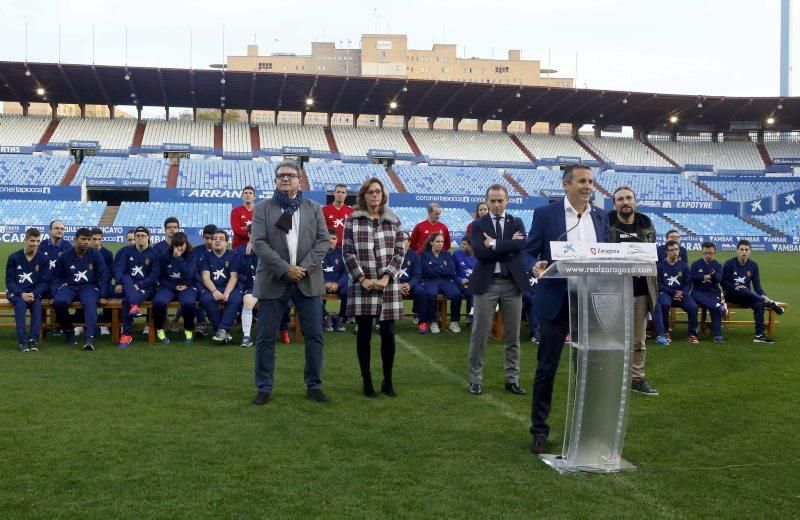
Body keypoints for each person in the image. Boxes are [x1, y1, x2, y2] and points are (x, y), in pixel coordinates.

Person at [520, 164, 610, 455]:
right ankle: (539, 431)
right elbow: (527, 250)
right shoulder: (546, 215)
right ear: (566, 185)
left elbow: (608, 256)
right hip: (556, 302)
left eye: (591, 182)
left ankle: (588, 430)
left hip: (590, 303)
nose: (588, 186)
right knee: (547, 368)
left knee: (589, 368)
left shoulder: (600, 217)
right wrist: (533, 265)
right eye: (582, 181)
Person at [251, 160, 330, 405]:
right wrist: (285, 269)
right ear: (275, 181)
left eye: (290, 175)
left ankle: (314, 385)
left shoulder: (314, 208)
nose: (285, 179)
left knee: (314, 335)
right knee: (265, 337)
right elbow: (259, 243)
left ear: (299, 179)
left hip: (307, 280)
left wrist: (302, 269)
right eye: (280, 176)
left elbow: (323, 242)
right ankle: (264, 387)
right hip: (274, 280)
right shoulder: (263, 208)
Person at [342, 177, 405, 397]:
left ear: (383, 195)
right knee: (364, 333)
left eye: (378, 191)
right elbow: (347, 252)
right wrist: (361, 278)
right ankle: (366, 380)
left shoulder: (394, 220)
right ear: (364, 195)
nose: (375, 195)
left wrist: (388, 277)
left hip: (387, 285)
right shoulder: (352, 220)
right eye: (370, 192)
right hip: (363, 285)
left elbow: (399, 252)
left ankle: (387, 381)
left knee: (388, 333)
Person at [467, 184, 529, 396]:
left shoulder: (516, 222)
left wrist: (493, 243)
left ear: (507, 201)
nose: (496, 204)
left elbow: (521, 246)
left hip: (512, 284)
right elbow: (480, 253)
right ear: (486, 201)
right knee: (480, 335)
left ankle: (512, 379)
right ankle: (475, 379)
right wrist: (506, 246)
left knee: (513, 337)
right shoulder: (478, 224)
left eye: (500, 200)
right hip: (487, 284)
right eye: (492, 200)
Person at [607, 186, 660, 396]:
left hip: (640, 290)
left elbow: (651, 252)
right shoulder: (606, 221)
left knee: (638, 339)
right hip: (612, 290)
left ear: (635, 201)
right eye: (620, 199)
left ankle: (636, 378)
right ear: (614, 204)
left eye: (629, 198)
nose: (625, 202)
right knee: (610, 337)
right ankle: (610, 377)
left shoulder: (645, 222)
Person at [51, 227, 110, 351]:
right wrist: (53, 295)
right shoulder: (65, 256)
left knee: (90, 303)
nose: (87, 242)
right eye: (83, 239)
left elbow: (104, 276)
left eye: (88, 239)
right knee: (59, 302)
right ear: (75, 239)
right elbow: (56, 277)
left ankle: (90, 337)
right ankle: (68, 332)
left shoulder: (95, 255)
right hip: (70, 286)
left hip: (89, 287)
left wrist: (104, 295)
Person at [722, 239, 783, 344]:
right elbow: (723, 282)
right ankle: (770, 303)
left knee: (758, 304)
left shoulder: (753, 265)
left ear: (750, 251)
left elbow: (757, 286)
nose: (744, 252)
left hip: (747, 296)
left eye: (746, 249)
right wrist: (733, 287)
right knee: (743, 289)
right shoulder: (729, 263)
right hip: (731, 295)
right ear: (737, 251)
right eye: (741, 249)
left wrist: (763, 295)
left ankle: (759, 336)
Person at [115, 227, 162, 348]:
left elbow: (154, 276)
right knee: (125, 277)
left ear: (148, 237)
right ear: (134, 238)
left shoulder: (154, 254)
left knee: (127, 301)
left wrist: (139, 285)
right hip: (129, 284)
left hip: (146, 287)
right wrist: (121, 282)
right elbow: (119, 269)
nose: (140, 238)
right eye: (138, 236)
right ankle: (134, 306)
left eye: (143, 235)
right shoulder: (128, 251)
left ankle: (127, 334)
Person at [6, 228, 50, 352]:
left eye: (37, 241)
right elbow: (9, 281)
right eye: (32, 241)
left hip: (33, 292)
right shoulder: (13, 257)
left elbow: (44, 282)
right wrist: (21, 294)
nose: (35, 244)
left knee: (36, 305)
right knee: (20, 304)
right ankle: (22, 341)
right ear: (25, 239)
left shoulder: (43, 259)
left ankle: (33, 340)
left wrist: (33, 293)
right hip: (16, 292)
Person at [152, 232, 199, 344]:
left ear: (186, 244)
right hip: (169, 286)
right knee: (158, 302)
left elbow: (189, 274)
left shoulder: (192, 256)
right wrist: (173, 286)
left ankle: (188, 330)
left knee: (188, 302)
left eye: (181, 245)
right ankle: (159, 329)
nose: (178, 248)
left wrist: (179, 259)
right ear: (172, 245)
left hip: (187, 286)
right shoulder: (165, 257)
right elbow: (161, 277)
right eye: (176, 245)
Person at [199, 230, 242, 345]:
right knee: (206, 299)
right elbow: (206, 277)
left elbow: (234, 277)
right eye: (215, 238)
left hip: (230, 287)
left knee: (235, 299)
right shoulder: (206, 256)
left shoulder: (233, 255)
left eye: (221, 239)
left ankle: (221, 330)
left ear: (226, 243)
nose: (217, 241)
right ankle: (222, 331)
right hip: (212, 287)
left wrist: (227, 293)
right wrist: (214, 291)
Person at [418, 232, 462, 334]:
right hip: (430, 281)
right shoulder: (424, 255)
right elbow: (425, 271)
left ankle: (454, 321)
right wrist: (442, 268)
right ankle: (433, 322)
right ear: (431, 242)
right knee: (430, 294)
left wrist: (433, 267)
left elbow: (451, 271)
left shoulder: (447, 254)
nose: (440, 244)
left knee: (456, 294)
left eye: (442, 242)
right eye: (437, 241)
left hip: (445, 281)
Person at [657, 239, 699, 344]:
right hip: (667, 293)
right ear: (666, 252)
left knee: (693, 307)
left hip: (681, 294)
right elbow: (659, 284)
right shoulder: (660, 266)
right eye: (671, 250)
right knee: (664, 304)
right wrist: (673, 293)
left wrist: (682, 293)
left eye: (676, 249)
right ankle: (666, 332)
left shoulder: (684, 266)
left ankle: (692, 334)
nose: (674, 252)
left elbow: (688, 283)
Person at [690, 241, 727, 343]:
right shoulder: (696, 264)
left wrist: (713, 275)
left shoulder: (718, 266)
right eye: (706, 253)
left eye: (710, 253)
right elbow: (690, 278)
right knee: (713, 305)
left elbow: (719, 279)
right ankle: (718, 306)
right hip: (698, 291)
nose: (708, 255)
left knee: (714, 309)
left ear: (715, 252)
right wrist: (703, 277)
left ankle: (717, 335)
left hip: (713, 292)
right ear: (702, 252)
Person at [236, 224, 259, 348]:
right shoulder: (240, 250)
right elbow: (238, 274)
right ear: (249, 234)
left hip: (268, 287)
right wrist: (247, 256)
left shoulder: (268, 249)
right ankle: (246, 337)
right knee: (247, 301)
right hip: (250, 287)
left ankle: (271, 334)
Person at [321, 230, 348, 332]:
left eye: (333, 239)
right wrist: (324, 283)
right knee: (312, 291)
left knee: (348, 291)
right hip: (322, 284)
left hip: (338, 284)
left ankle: (342, 319)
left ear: (337, 240)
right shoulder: (318, 252)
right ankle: (325, 318)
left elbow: (346, 273)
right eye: (328, 238)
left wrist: (338, 283)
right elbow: (314, 272)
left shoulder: (342, 253)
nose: (331, 241)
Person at [91, 227, 115, 336]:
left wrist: (102, 283)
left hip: (104, 283)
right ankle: (80, 325)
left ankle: (105, 324)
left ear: (102, 239)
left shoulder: (108, 254)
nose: (96, 242)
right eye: (94, 239)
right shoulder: (85, 252)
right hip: (89, 284)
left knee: (110, 293)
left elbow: (110, 273)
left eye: (99, 239)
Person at [453, 235, 477, 325]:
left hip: (475, 284)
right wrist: (460, 280)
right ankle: (471, 316)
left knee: (475, 290)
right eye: (462, 243)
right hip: (460, 283)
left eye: (464, 244)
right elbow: (452, 272)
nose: (462, 246)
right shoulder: (456, 254)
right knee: (473, 291)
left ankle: (472, 315)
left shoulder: (479, 255)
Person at [396, 231, 422, 315]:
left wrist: (409, 285)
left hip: (410, 284)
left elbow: (417, 275)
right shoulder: (391, 255)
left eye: (404, 239)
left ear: (409, 242)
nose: (401, 241)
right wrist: (398, 285)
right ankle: (381, 319)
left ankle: (417, 313)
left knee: (420, 291)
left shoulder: (415, 255)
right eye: (399, 239)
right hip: (394, 284)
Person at [231, 185, 256, 249]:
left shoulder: (260, 211)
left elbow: (263, 229)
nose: (248, 195)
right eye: (245, 193)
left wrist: (244, 228)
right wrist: (254, 233)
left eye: (250, 193)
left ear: (254, 197)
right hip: (239, 247)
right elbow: (237, 230)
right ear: (242, 196)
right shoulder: (235, 211)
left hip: (255, 246)